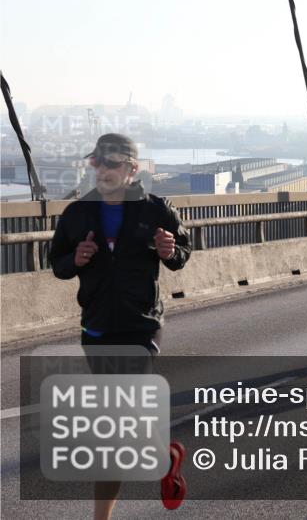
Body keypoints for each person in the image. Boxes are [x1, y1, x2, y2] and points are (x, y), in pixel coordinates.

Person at [48, 134, 191, 519]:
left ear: (131, 169)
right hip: (96, 328)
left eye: (110, 163)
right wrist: (76, 259)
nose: (102, 170)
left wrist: (169, 251)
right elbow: (57, 263)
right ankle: (165, 457)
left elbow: (183, 253)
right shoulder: (78, 214)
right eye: (97, 162)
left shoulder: (157, 210)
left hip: (140, 327)